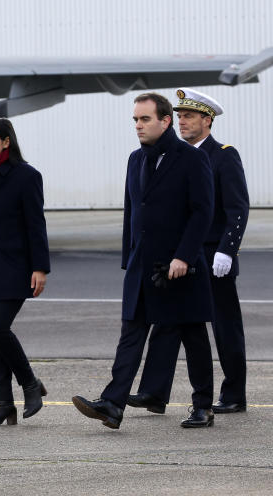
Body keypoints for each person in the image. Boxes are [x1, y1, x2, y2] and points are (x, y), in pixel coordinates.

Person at [73, 92, 215, 429]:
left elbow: (202, 212)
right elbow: (132, 213)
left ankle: (203, 406)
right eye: (135, 120)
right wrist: (129, 258)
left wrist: (184, 255)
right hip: (142, 267)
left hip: (180, 268)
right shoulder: (135, 160)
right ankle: (112, 404)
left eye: (145, 119)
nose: (138, 125)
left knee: (193, 336)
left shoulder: (191, 159)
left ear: (165, 121)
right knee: (131, 334)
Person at [128, 88, 250, 415]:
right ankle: (154, 392)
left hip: (213, 257)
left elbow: (237, 209)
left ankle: (234, 393)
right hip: (181, 255)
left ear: (207, 121)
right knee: (171, 324)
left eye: (190, 117)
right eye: (180, 117)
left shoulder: (223, 155)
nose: (183, 122)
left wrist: (227, 250)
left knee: (225, 328)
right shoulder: (172, 156)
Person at [0, 117, 50, 426]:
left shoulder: (26, 176)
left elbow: (35, 224)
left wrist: (40, 267)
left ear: (6, 141)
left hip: (16, 268)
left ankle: (30, 383)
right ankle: (4, 403)